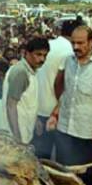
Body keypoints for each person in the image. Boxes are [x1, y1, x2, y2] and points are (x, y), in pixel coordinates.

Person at [50, 25, 92, 171]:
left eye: (80, 43)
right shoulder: (68, 61)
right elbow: (67, 92)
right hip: (64, 129)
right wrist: (55, 113)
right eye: (73, 43)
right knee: (62, 172)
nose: (75, 47)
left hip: (86, 132)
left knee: (83, 175)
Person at [35, 20, 75, 157]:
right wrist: (61, 103)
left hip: (38, 105)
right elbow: (59, 82)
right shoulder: (69, 52)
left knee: (40, 154)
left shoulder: (48, 45)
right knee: (58, 157)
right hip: (55, 111)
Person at [3, 38, 48, 144]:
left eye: (45, 55)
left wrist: (35, 119)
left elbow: (27, 100)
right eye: (38, 54)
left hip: (24, 130)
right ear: (27, 53)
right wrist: (17, 136)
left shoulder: (31, 70)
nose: (42, 59)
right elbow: (11, 105)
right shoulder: (21, 72)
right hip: (17, 133)